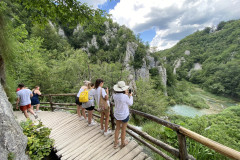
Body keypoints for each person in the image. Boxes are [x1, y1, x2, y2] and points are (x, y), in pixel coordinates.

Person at [113, 81, 133, 149]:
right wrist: (130, 96)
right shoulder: (125, 97)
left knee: (117, 129)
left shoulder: (114, 96)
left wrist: (125, 94)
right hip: (124, 115)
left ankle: (115, 143)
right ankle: (122, 143)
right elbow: (130, 103)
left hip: (117, 115)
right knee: (123, 130)